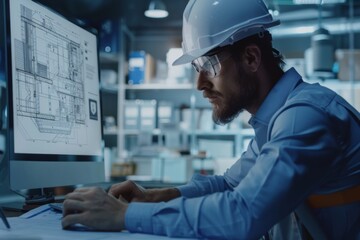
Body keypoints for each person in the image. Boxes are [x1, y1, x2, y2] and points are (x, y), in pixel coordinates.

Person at [61, 0, 360, 239]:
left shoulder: (305, 117)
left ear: (252, 58)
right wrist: (157, 197)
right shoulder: (275, 122)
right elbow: (229, 185)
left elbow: (243, 215)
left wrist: (122, 216)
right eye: (196, 66)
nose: (199, 83)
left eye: (209, 65)